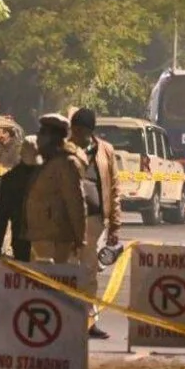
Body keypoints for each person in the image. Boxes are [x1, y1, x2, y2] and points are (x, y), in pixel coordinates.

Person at [67, 108, 121, 340]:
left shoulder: (105, 151)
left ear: (90, 131)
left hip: (94, 220)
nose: (77, 134)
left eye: (82, 130)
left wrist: (115, 225)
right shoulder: (62, 149)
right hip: (67, 221)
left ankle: (89, 322)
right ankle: (66, 320)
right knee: (67, 271)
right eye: (74, 130)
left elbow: (115, 188)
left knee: (88, 273)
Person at [24, 113, 86, 263]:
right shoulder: (42, 162)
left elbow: (75, 203)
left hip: (55, 239)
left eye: (42, 134)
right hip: (37, 235)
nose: (38, 138)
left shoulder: (66, 164)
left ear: (53, 137)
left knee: (51, 282)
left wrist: (80, 238)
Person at [0, 141, 40, 263]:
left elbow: (1, 216)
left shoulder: (10, 178)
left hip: (21, 237)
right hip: (43, 239)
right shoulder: (47, 176)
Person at [0, 123, 22, 257]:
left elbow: (17, 166)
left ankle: (9, 249)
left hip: (13, 189)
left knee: (10, 222)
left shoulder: (18, 147)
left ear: (8, 133)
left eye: (0, 132)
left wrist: (2, 166)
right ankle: (0, 249)